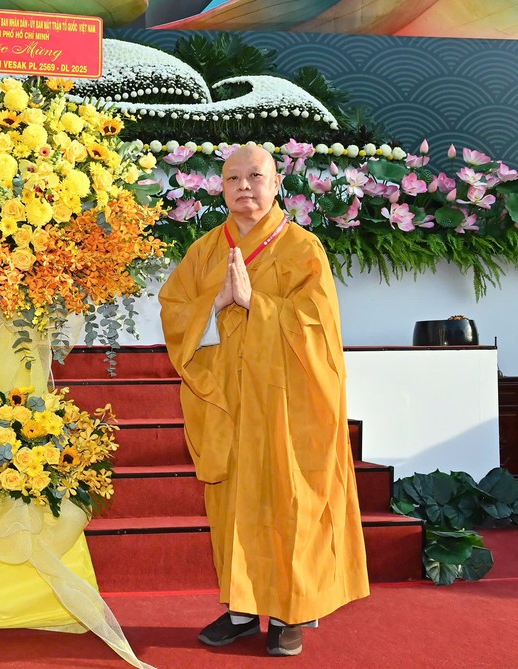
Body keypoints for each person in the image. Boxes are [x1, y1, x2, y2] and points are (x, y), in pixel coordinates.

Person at [158, 144, 369, 657]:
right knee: (233, 504)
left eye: (256, 176)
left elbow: (320, 328)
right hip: (228, 401)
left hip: (286, 404)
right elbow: (174, 311)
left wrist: (258, 304)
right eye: (233, 178)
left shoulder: (302, 249)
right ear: (221, 187)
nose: (245, 186)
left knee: (288, 502)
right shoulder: (206, 250)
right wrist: (217, 303)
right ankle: (241, 610)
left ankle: (291, 613)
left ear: (277, 185)